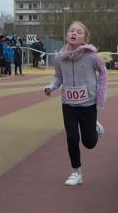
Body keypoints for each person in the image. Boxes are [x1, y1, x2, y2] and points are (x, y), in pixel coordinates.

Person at [43, 21, 107, 186]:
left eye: (79, 32)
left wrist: (99, 94)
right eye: (72, 31)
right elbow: (59, 77)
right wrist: (51, 87)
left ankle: (94, 128)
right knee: (72, 138)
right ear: (67, 35)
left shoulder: (92, 56)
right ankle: (76, 172)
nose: (74, 33)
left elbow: (103, 72)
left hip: (88, 104)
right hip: (68, 104)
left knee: (89, 143)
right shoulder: (60, 58)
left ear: (84, 39)